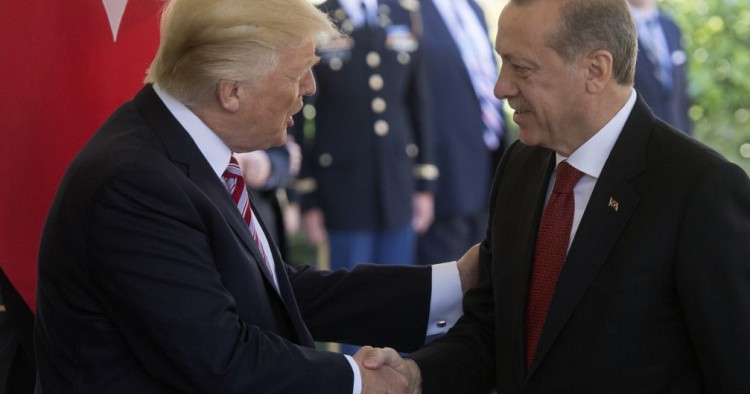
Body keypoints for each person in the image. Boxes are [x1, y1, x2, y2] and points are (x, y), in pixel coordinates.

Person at [33, 0, 479, 393]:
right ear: (232, 90)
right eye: (297, 72)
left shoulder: (178, 150)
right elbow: (221, 360)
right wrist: (365, 383)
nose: (310, 88)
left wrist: (454, 283)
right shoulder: (133, 184)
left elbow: (273, 292)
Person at [367, 0, 750, 391]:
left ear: (595, 70)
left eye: (522, 68)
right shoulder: (521, 163)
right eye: (502, 62)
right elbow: (492, 328)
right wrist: (417, 374)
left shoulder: (700, 189)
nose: (501, 87)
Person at [291, 0, 437, 271]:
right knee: (350, 297)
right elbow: (297, 117)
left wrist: (424, 184)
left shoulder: (401, 13)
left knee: (398, 291)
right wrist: (307, 197)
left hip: (397, 186)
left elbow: (419, 104)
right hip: (341, 192)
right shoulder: (317, 18)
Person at [416, 0, 507, 265]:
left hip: (488, 166)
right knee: (446, 288)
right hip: (444, 176)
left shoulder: (473, 9)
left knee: (482, 280)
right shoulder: (410, 10)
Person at [629, 0, 692, 133]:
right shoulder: (615, 29)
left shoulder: (672, 27)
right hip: (636, 136)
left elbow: (682, 94)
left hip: (677, 135)